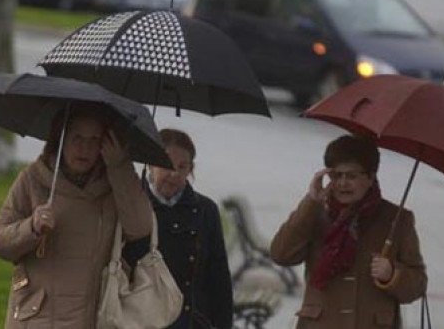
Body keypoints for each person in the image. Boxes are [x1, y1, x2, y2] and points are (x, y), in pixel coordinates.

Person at [0, 105, 153, 328]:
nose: (84, 148)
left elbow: (140, 228)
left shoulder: (114, 183)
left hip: (91, 316)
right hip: (37, 318)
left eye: (94, 140)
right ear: (61, 139)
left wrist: (120, 167)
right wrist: (32, 227)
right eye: (77, 138)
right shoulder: (34, 179)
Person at [270, 135, 427, 328]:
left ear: (370, 177)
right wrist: (310, 202)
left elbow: (418, 285)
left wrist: (392, 274)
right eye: (336, 175)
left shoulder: (396, 219)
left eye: (352, 176)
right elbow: (281, 255)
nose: (343, 183)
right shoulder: (316, 213)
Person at [126, 128, 233, 329]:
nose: (174, 174)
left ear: (191, 170)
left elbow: (219, 279)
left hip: (191, 321)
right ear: (150, 164)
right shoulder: (131, 204)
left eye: (182, 167)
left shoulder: (205, 210)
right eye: (166, 165)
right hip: (139, 320)